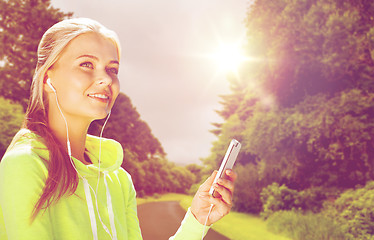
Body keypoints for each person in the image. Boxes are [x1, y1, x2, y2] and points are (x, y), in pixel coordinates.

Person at [0, 18, 237, 240]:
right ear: (47, 77)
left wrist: (197, 220)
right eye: (86, 64)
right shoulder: (25, 164)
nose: (105, 79)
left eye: (112, 69)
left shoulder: (118, 179)